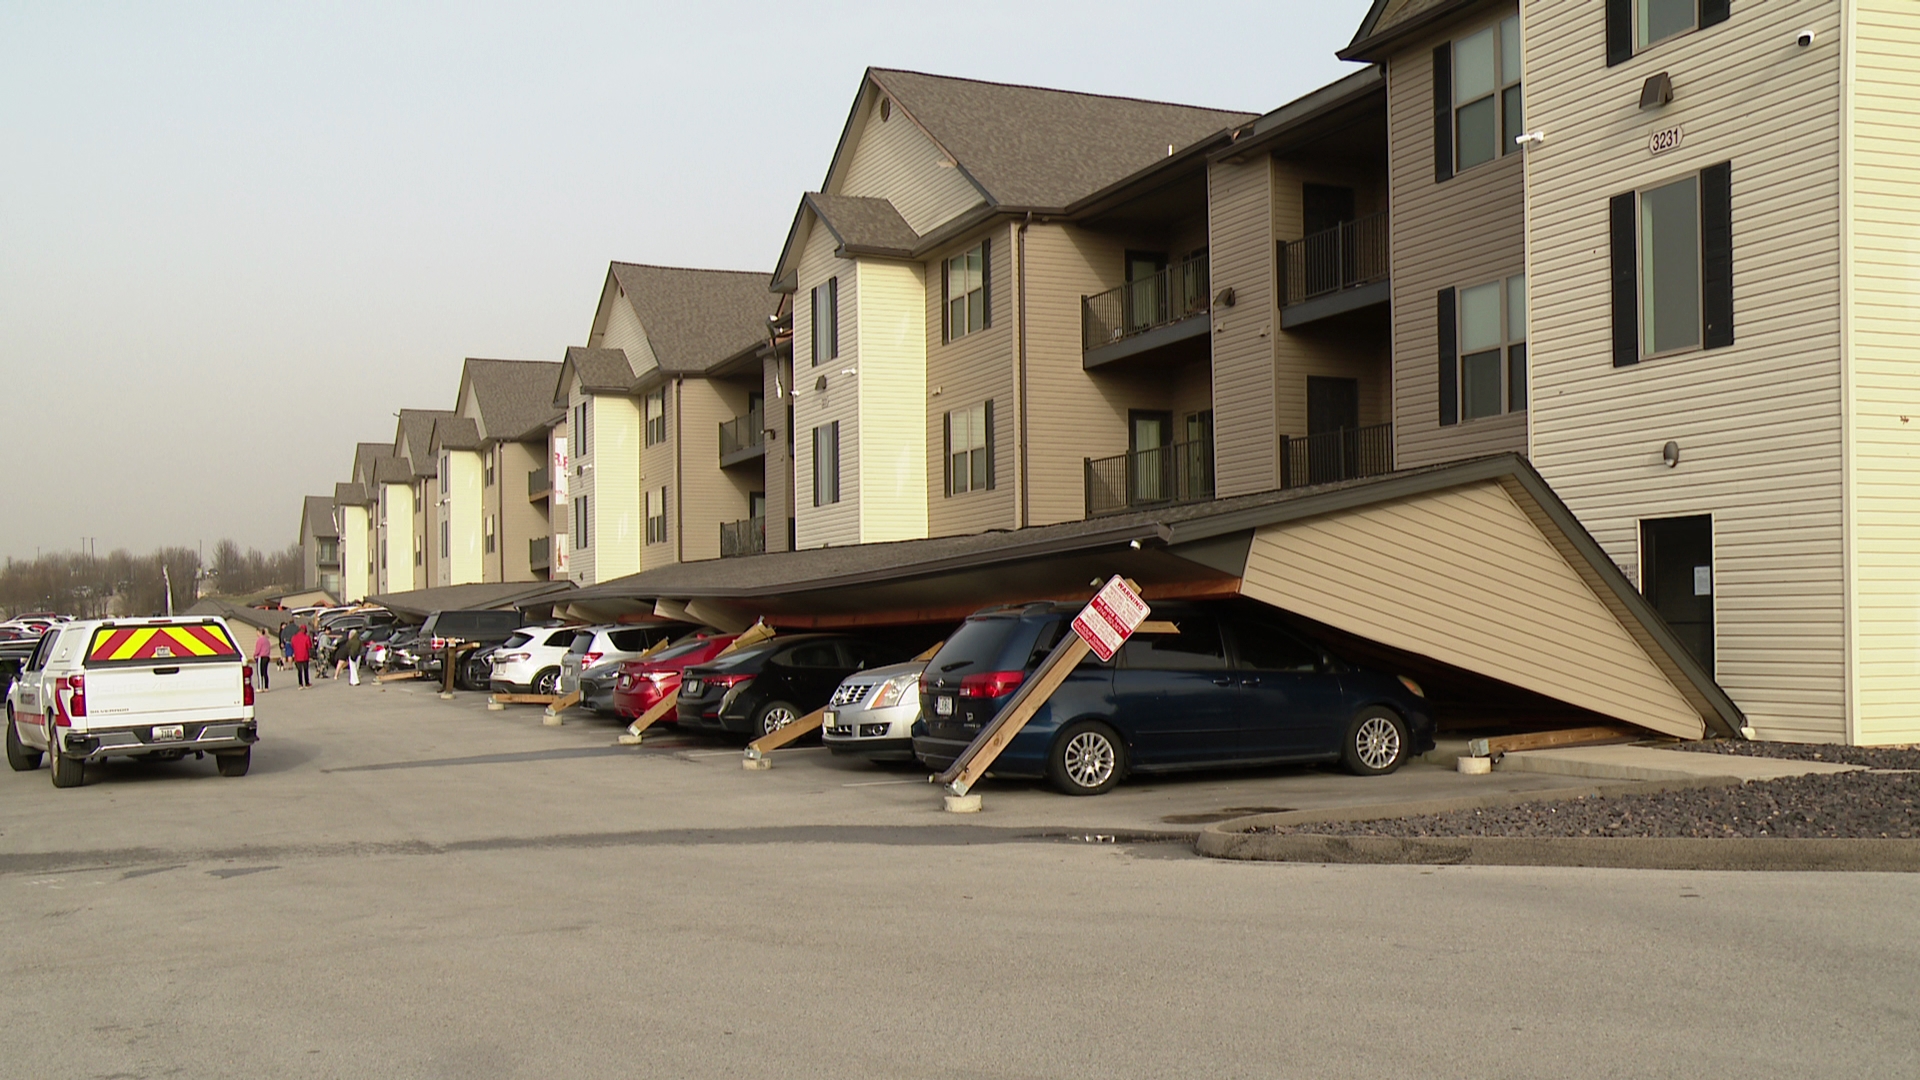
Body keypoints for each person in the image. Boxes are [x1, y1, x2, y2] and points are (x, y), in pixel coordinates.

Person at [291, 622, 313, 689]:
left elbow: (292, 645)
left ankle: (300, 684)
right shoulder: (306, 637)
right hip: (305, 655)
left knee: (299, 671)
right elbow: (309, 646)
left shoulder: (294, 637)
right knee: (306, 670)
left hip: (297, 656)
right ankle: (307, 683)